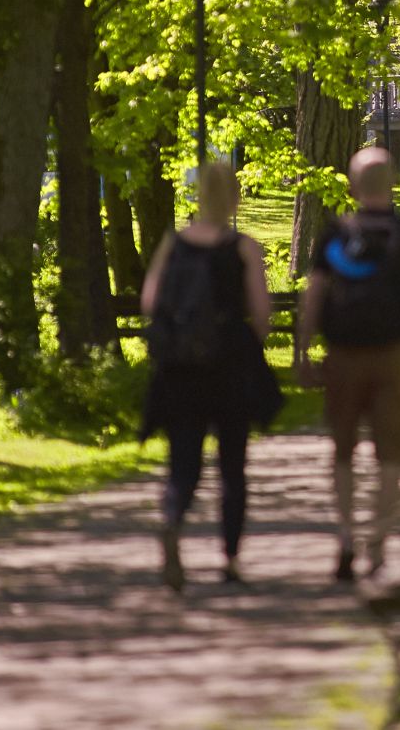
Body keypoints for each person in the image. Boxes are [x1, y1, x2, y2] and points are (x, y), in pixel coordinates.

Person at [295, 148, 400, 581]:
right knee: (393, 456)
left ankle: (346, 536)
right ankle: (377, 544)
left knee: (342, 452)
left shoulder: (334, 236)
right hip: (395, 357)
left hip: (343, 357)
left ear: (352, 185)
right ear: (394, 182)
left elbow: (314, 297)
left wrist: (302, 352)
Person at [140, 162, 276, 590]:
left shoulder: (172, 245)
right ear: (234, 198)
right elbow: (262, 315)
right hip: (230, 368)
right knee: (232, 467)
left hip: (181, 370)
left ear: (198, 196)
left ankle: (172, 519)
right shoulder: (242, 248)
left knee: (184, 462)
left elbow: (149, 303)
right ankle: (231, 560)